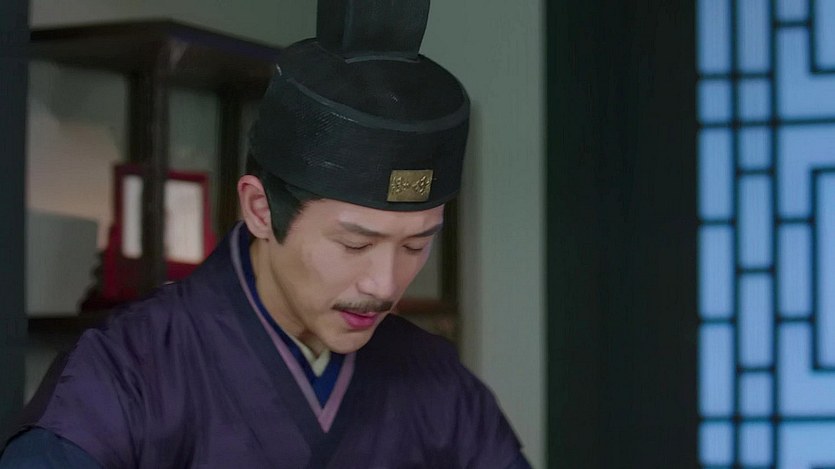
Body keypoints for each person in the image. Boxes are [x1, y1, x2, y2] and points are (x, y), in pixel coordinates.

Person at [0, 0, 531, 467]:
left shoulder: (435, 382)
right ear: (260, 209)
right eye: (356, 244)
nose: (386, 284)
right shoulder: (125, 374)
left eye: (417, 244)